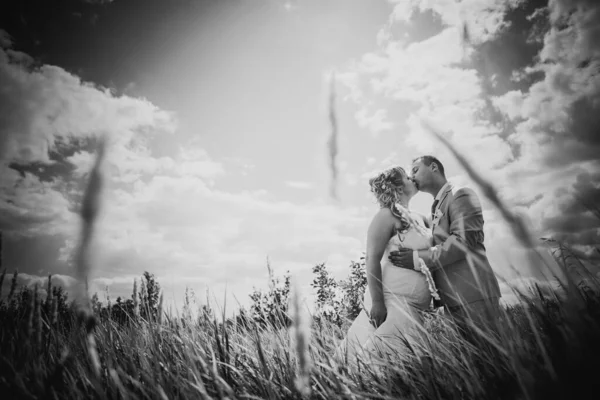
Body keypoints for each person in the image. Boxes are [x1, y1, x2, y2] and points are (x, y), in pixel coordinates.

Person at [336, 166, 439, 361]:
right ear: (399, 189)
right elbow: (371, 259)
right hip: (393, 304)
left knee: (410, 364)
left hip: (414, 307)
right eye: (408, 177)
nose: (413, 179)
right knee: (375, 361)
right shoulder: (386, 215)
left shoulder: (421, 218)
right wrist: (377, 303)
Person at [388, 156, 501, 334]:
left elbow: (462, 242)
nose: (412, 176)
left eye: (415, 170)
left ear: (433, 167)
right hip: (452, 300)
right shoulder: (434, 209)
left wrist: (417, 259)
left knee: (492, 358)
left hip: (474, 294)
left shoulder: (460, 194)